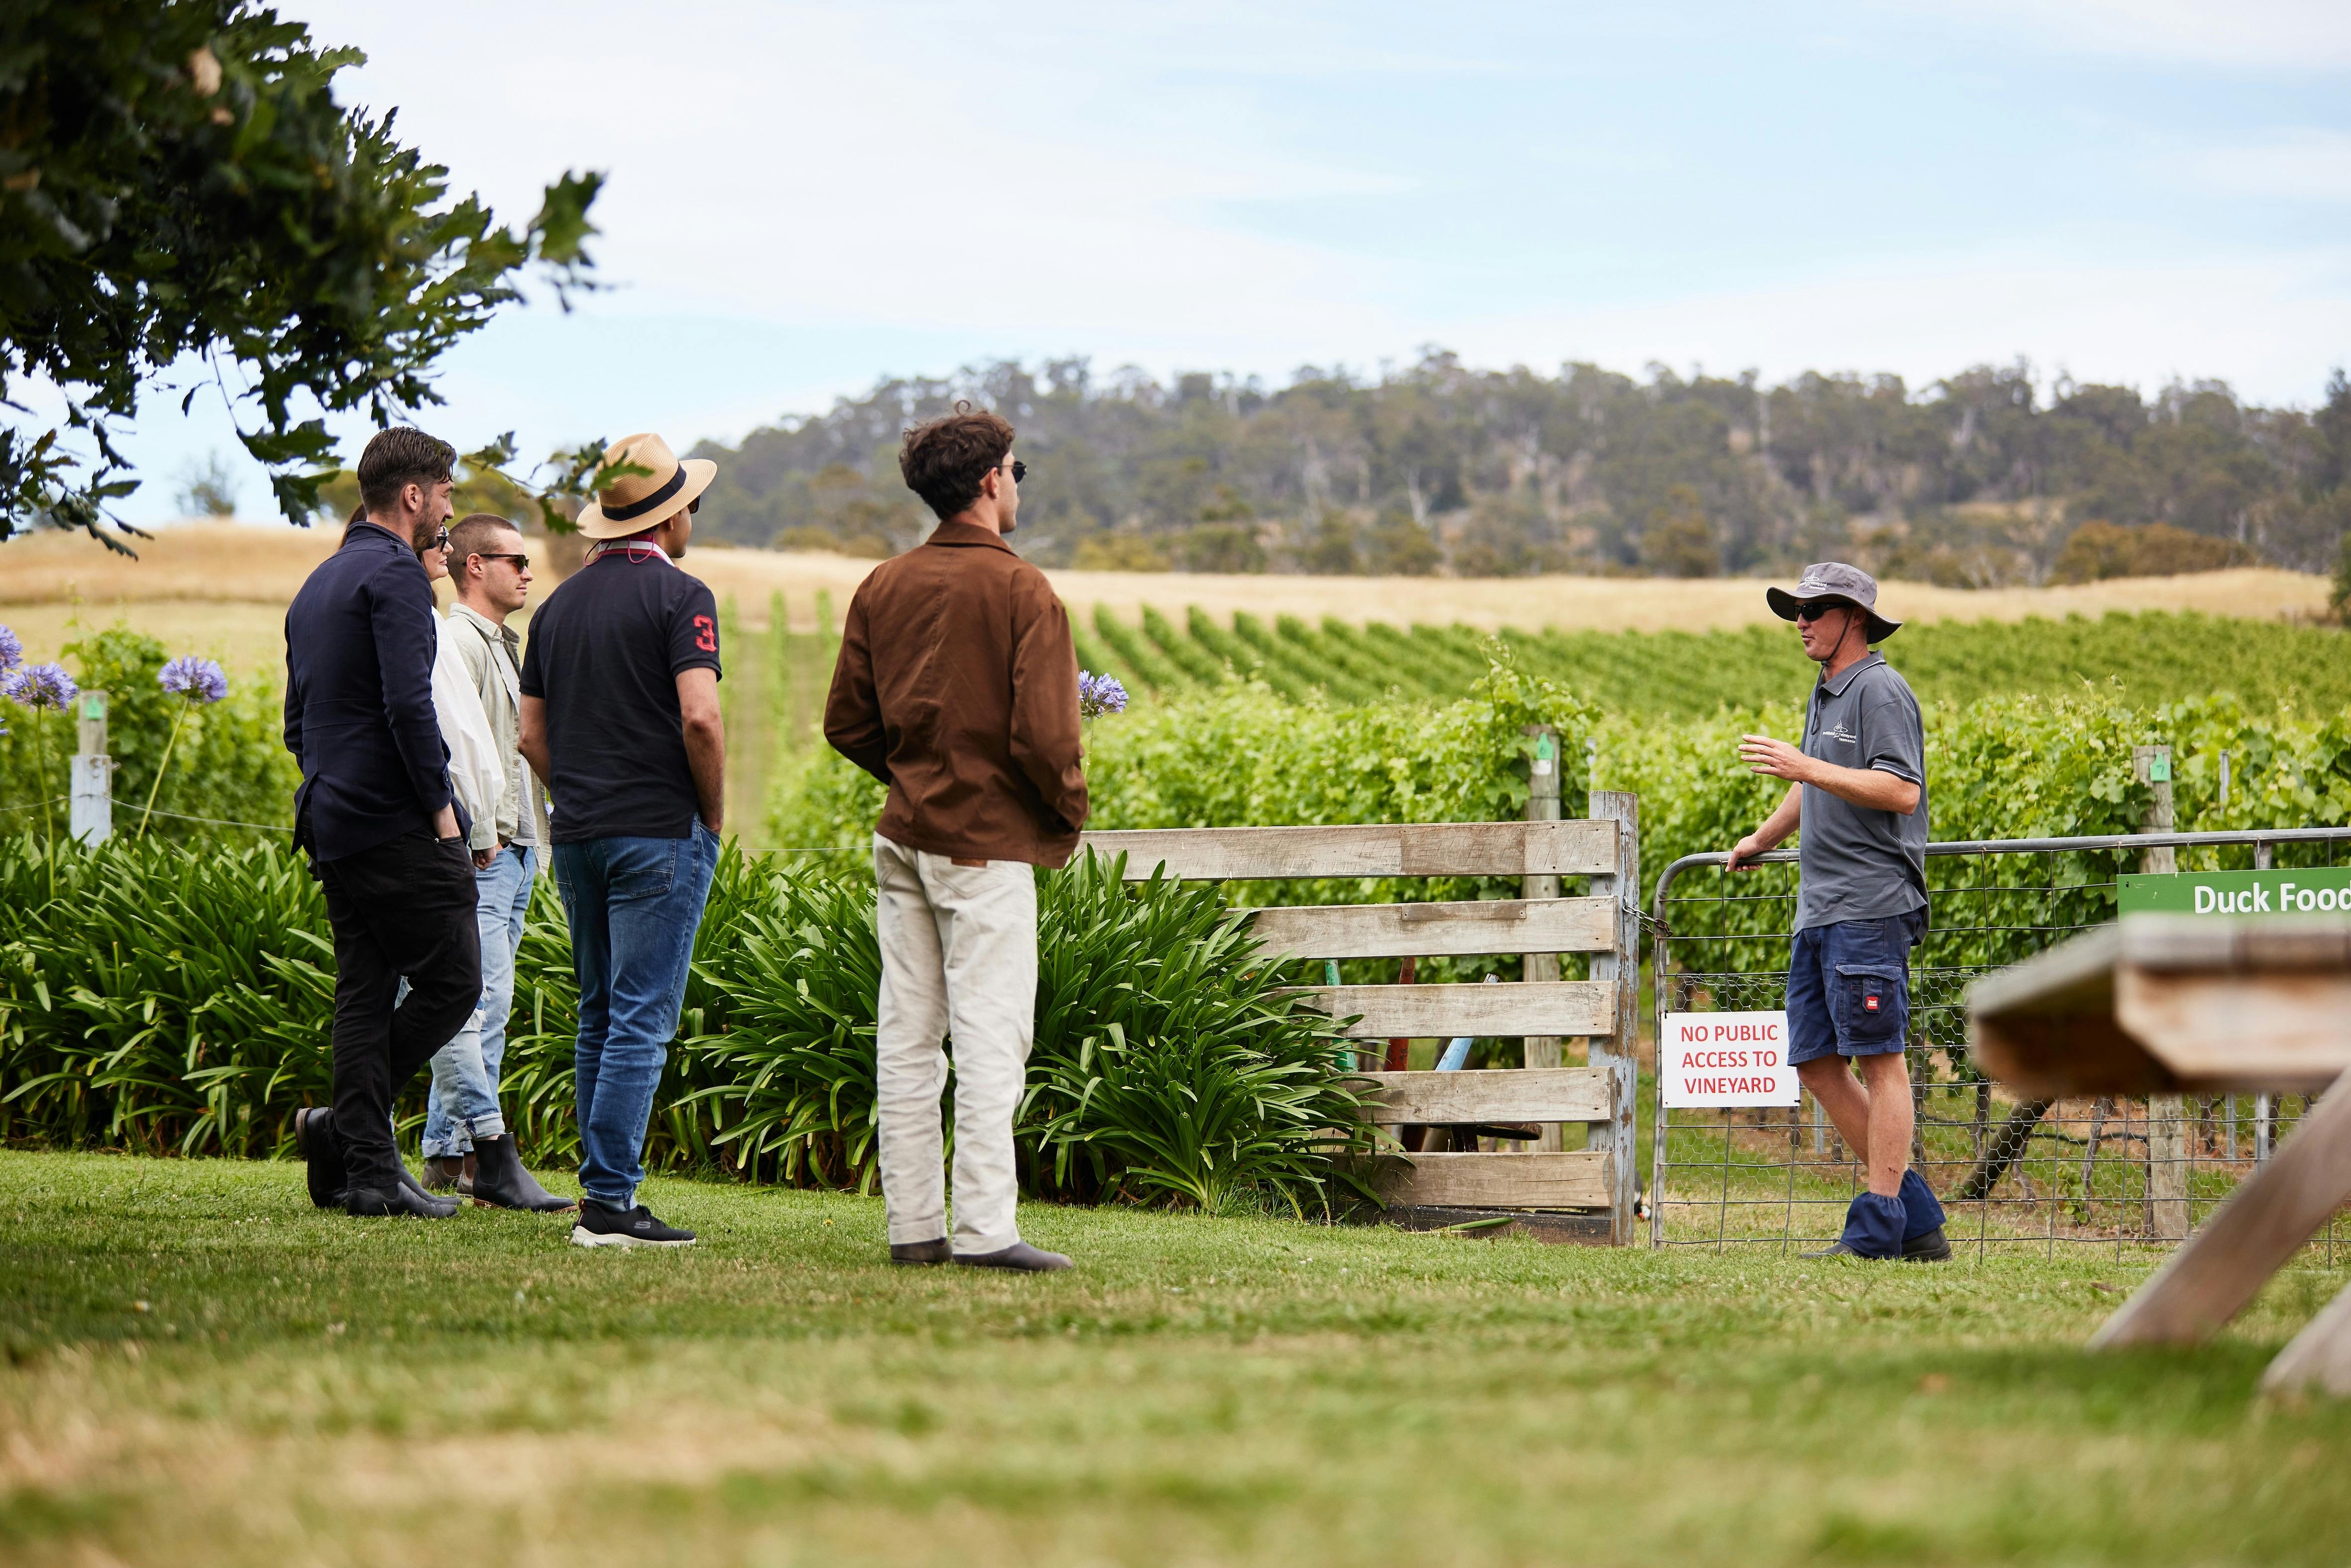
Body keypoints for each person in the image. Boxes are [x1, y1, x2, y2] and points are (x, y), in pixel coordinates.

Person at [824, 407, 1087, 1272]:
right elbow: (1048, 742)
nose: (1019, 484)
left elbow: (846, 724)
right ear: (989, 480)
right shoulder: (1025, 591)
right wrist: (1067, 812)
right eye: (1018, 470)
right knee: (990, 1039)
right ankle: (984, 1232)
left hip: (904, 835)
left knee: (907, 1038)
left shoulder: (883, 585)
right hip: (985, 844)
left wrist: (913, 774)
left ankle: (915, 1230)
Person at [519, 434, 725, 1249]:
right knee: (643, 1019)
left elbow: (531, 735)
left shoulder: (558, 606)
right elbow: (700, 717)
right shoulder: (685, 597)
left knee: (599, 1015)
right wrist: (712, 813)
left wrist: (574, 793)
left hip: (579, 834)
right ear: (670, 517)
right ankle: (609, 1204)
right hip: (658, 829)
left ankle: (599, 1195)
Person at [1726, 562, 1948, 1261]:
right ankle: (1914, 1220)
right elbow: (1813, 785)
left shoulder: (1880, 690)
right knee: (1818, 1063)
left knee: (1881, 1061)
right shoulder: (1825, 692)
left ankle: (1880, 1228)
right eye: (1796, 609)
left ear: (1854, 618)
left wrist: (1805, 767)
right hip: (1821, 907)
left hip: (1870, 906)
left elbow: (1901, 791)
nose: (1801, 621)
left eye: (1815, 610)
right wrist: (1762, 839)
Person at [284, 429, 479, 1219]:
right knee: (456, 981)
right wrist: (444, 820)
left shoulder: (319, 582)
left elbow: (297, 724)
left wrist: (332, 791)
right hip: (397, 821)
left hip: (330, 819)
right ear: (413, 497)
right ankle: (349, 1128)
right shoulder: (399, 577)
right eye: (446, 494)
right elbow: (408, 708)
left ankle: (365, 1172)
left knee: (364, 992)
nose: (450, 510)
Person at [412, 514, 573, 1213]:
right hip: (489, 848)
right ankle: (482, 1150)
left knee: (491, 1004)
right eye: (516, 560)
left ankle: (450, 1157)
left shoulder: (504, 645)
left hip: (518, 845)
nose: (529, 573)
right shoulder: (458, 644)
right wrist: (484, 835)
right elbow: (459, 748)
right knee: (475, 1001)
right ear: (474, 565)